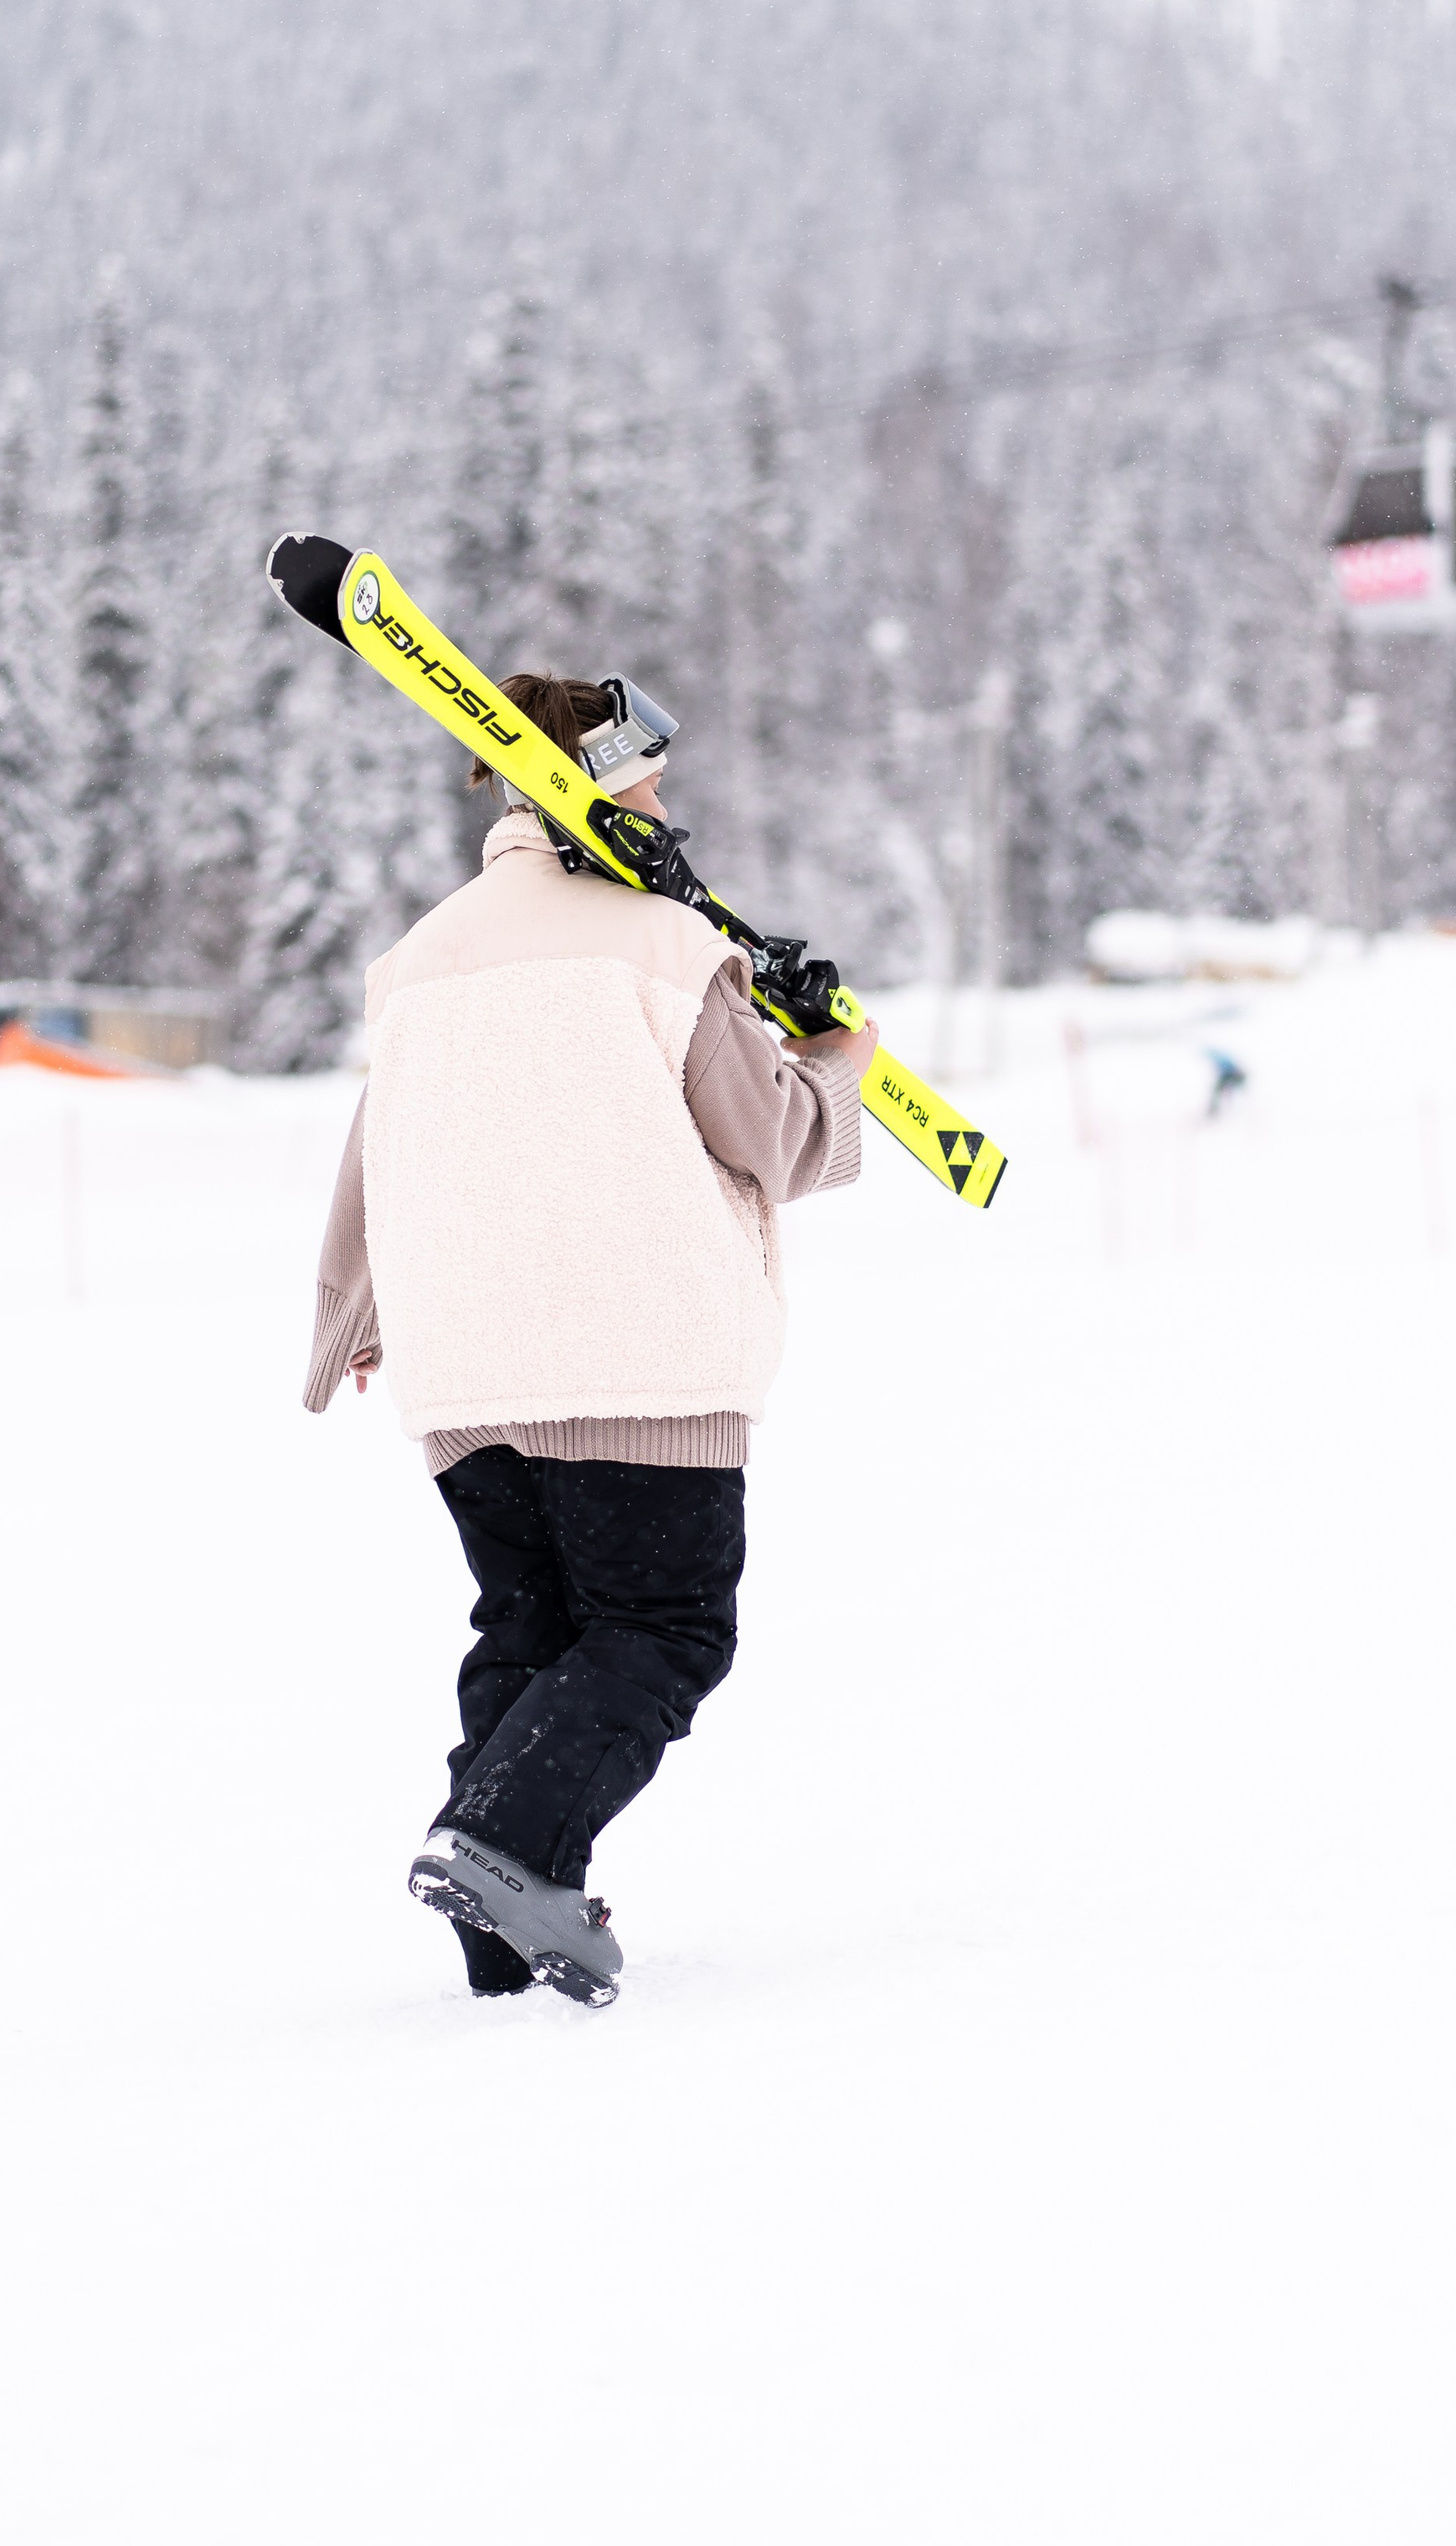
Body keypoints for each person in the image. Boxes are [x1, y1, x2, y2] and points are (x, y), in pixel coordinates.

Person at [302, 668, 875, 2006]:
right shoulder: (666, 949)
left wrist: (354, 1316)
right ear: (599, 781)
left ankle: (499, 1929)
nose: (670, 801)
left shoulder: (422, 957)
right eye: (654, 778)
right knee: (663, 1630)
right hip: (639, 1351)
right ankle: (506, 1843)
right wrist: (834, 1051)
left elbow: (372, 1150)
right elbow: (774, 1137)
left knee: (532, 1630)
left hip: (461, 1372)